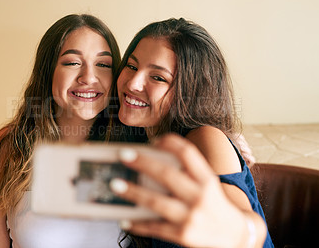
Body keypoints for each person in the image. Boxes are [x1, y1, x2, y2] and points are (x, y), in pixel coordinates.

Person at [108, 18, 273, 247]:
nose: (133, 83)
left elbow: (237, 223)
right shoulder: (136, 135)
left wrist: (240, 234)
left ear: (189, 92)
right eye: (132, 66)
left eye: (158, 77)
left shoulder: (206, 138)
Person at [0, 14, 123, 247]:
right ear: (48, 70)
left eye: (103, 64)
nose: (89, 77)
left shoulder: (133, 146)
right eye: (73, 62)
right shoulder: (11, 146)